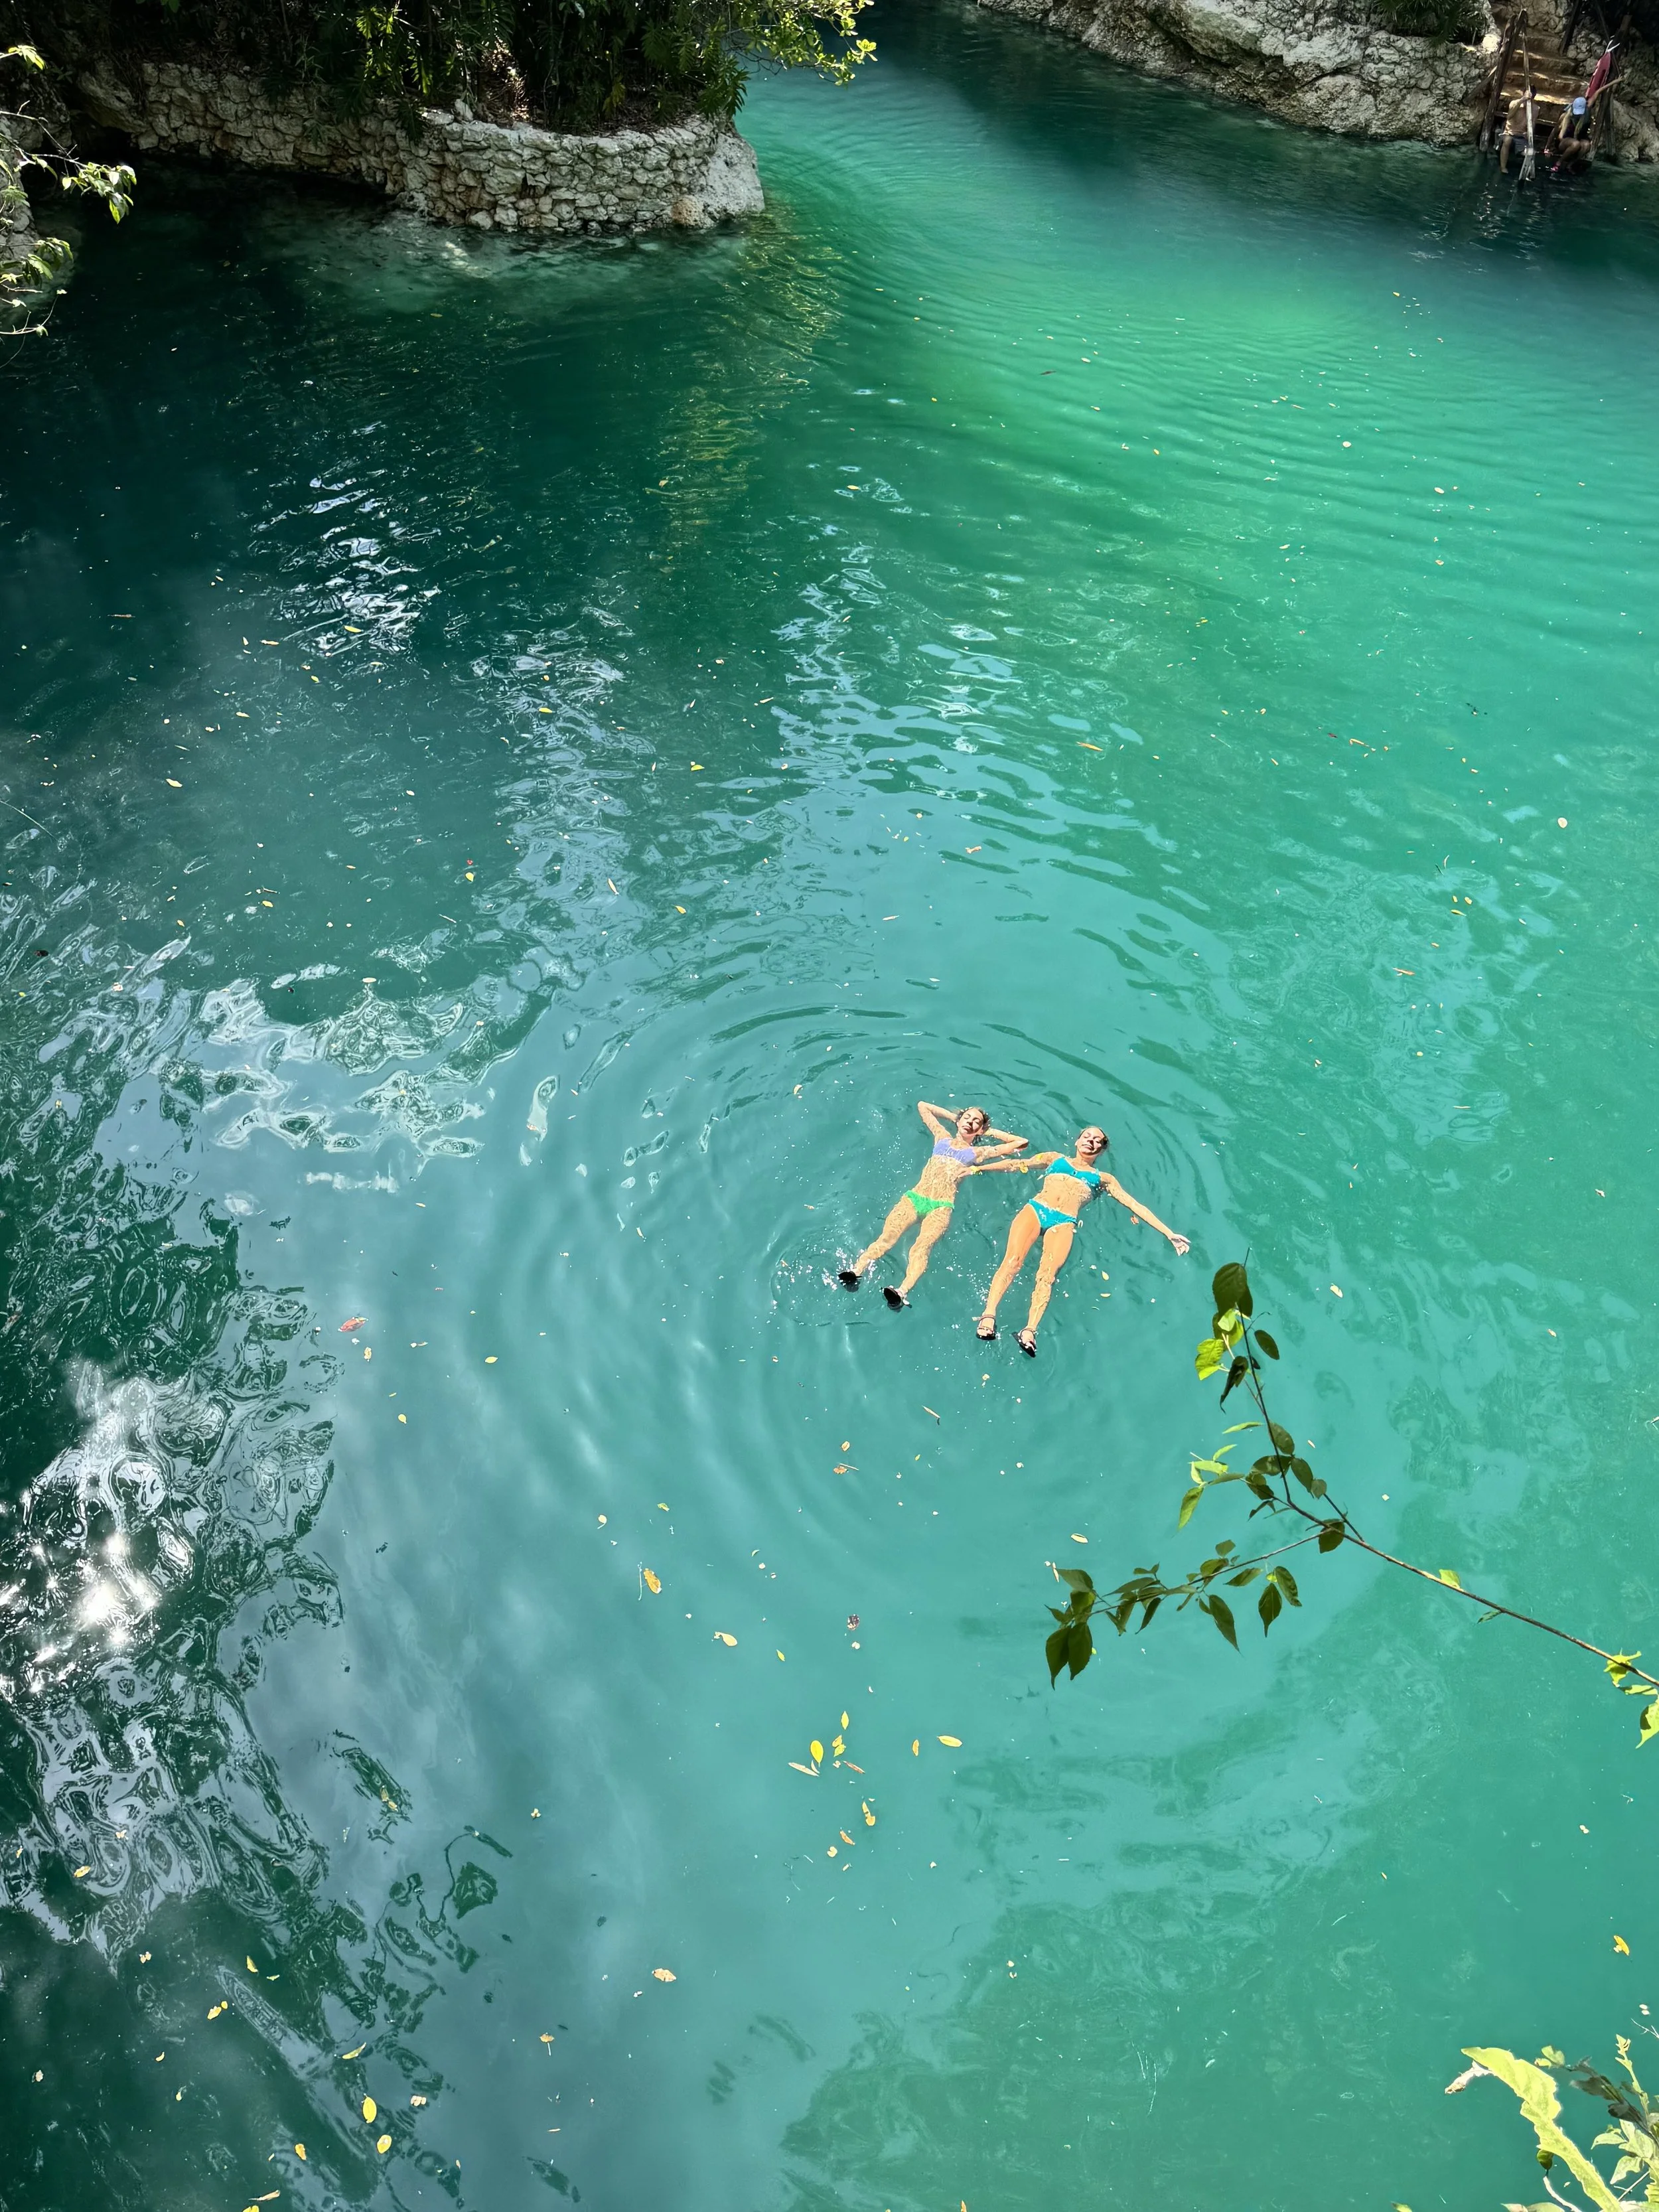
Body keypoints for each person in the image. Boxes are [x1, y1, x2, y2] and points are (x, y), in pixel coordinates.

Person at [975, 1126, 1189, 1357]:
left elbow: (1134, 1205)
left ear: (1102, 1149)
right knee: (1013, 1262)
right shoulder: (1054, 1159)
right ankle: (989, 1315)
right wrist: (978, 1169)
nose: (1091, 1141)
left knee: (1047, 1276)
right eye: (1087, 1137)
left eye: (1098, 1140)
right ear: (1077, 1142)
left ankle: (1030, 1331)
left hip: (1064, 1222)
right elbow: (1018, 1164)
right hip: (1037, 1210)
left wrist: (1168, 1233)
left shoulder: (1104, 1179)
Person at [839, 1101, 1029, 1309]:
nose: (970, 1122)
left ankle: (901, 1291)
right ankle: (856, 1271)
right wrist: (954, 1117)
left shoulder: (979, 1152)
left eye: (976, 1122)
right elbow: (923, 1107)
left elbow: (1021, 1142)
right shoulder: (941, 1137)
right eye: (967, 1117)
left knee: (921, 1248)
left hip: (941, 1206)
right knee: (886, 1238)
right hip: (915, 1198)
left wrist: (989, 1132)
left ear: (981, 1129)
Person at [1550, 94, 1593, 171]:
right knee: (1576, 144)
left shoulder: (1586, 116)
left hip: (1577, 139)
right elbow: (1555, 131)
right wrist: (1547, 147)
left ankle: (1570, 164)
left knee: (1587, 145)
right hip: (1564, 142)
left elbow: (1596, 94)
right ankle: (1559, 162)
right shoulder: (1566, 116)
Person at [1499, 88, 1534, 174]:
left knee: (1530, 152)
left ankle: (1527, 172)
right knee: (1508, 140)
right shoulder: (1514, 103)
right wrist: (1522, 101)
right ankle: (1503, 167)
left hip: (1521, 137)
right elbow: (1509, 116)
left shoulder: (1535, 109)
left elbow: (1532, 124)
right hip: (1508, 133)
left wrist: (1529, 133)